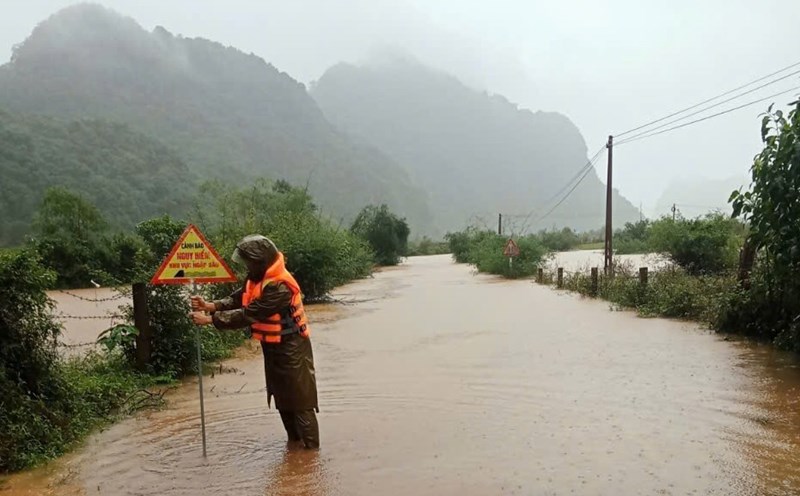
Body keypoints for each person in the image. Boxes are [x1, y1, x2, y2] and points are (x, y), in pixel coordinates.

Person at [188, 234, 319, 449]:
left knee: (300, 401)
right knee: (283, 401)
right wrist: (212, 305)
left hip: (292, 348)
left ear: (261, 260)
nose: (247, 265)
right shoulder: (256, 278)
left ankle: (311, 457)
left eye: (249, 261)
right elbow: (240, 297)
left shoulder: (279, 287)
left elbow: (250, 313)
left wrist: (210, 320)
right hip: (273, 348)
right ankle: (295, 450)